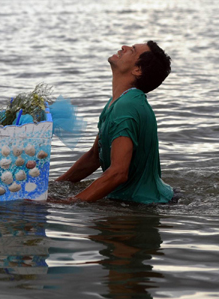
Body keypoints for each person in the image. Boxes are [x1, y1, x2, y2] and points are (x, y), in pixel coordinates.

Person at [55, 40, 173, 204]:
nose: (124, 47)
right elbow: (94, 157)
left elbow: (118, 173)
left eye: (132, 50)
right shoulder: (119, 102)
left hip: (143, 204)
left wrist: (69, 202)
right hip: (157, 197)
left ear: (137, 70)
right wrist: (55, 185)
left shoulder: (126, 107)